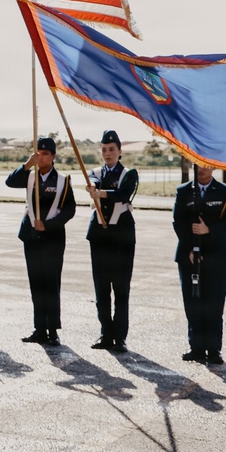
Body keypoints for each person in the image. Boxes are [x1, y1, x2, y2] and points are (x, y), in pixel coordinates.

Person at [5, 137, 75, 346]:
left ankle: (52, 329)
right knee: (36, 282)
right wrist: (27, 164)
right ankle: (39, 328)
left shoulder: (62, 181)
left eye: (45, 154)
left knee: (51, 283)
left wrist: (49, 224)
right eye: (38, 153)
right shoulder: (29, 176)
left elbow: (70, 210)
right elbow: (10, 182)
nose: (41, 157)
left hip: (52, 238)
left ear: (53, 157)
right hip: (32, 237)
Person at [173, 164, 226, 366]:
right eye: (199, 164)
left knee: (214, 303)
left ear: (214, 167)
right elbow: (178, 222)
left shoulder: (225, 192)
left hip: (217, 256)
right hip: (189, 255)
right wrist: (191, 248)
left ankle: (214, 349)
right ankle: (197, 347)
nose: (202, 169)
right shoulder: (184, 191)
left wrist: (208, 229)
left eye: (207, 165)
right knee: (193, 302)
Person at [85, 130, 138, 354]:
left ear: (120, 151)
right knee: (102, 288)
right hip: (99, 237)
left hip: (122, 238)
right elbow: (93, 181)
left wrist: (102, 194)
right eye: (104, 150)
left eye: (112, 149)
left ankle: (120, 336)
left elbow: (123, 194)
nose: (108, 153)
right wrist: (94, 188)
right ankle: (106, 333)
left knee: (121, 289)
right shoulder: (95, 172)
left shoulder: (129, 173)